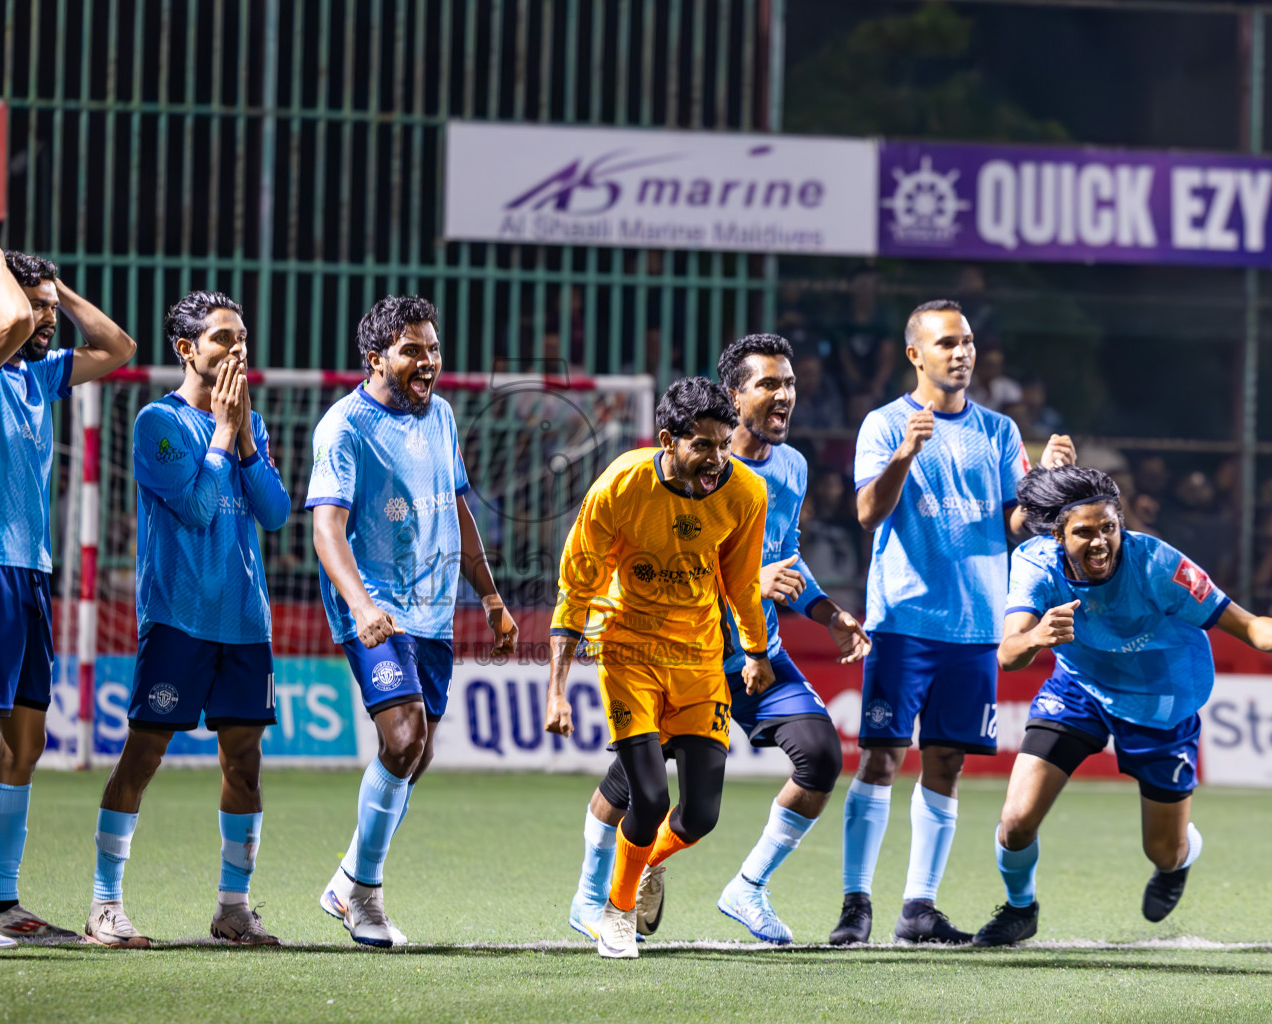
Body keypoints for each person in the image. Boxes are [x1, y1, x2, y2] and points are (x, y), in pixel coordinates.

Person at [562, 338, 871, 948]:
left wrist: (827, 611)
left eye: (788, 383)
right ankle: (592, 897)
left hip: (756, 655)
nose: (784, 395)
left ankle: (745, 886)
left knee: (821, 756)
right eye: (769, 385)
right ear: (734, 397)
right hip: (681, 650)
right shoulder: (679, 473)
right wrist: (749, 581)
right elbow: (703, 565)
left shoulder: (790, 469)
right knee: (631, 787)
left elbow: (783, 559)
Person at [973, 466, 1272, 945]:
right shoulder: (1035, 564)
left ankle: (1181, 860)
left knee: (1163, 850)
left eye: (1109, 528)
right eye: (1084, 533)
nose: (1100, 543)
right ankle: (1020, 908)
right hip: (1081, 689)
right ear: (1057, 535)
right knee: (1015, 822)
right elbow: (1009, 656)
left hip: (1163, 702)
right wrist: (1033, 637)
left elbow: (1247, 624)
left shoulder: (1159, 565)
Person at [0, 239, 135, 948]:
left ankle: (0, 902)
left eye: (48, 312)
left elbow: (118, 346)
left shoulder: (37, 378)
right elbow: (7, 325)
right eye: (36, 309)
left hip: (29, 575)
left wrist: (59, 292)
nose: (44, 321)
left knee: (27, 740)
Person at [835, 298, 1073, 946]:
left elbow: (1013, 523)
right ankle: (856, 905)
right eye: (946, 343)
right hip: (904, 620)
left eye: (966, 341)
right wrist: (905, 455)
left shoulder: (998, 432)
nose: (961, 352)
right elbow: (866, 512)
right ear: (915, 354)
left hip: (975, 628)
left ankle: (918, 910)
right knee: (882, 759)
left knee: (946, 764)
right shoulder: (885, 425)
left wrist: (1046, 482)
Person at [307, 295, 517, 948]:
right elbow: (326, 529)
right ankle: (362, 896)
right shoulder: (344, 428)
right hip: (377, 611)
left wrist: (490, 596)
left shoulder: (442, 416)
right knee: (402, 739)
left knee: (415, 752)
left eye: (432, 347)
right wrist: (364, 607)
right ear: (375, 359)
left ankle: (348, 879)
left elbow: (458, 509)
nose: (428, 361)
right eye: (412, 350)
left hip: (434, 614)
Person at [84, 291, 290, 948]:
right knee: (142, 756)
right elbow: (199, 509)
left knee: (245, 765)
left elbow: (278, 512)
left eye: (242, 338)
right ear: (186, 349)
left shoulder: (248, 423)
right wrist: (226, 432)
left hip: (244, 625)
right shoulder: (157, 423)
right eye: (224, 339)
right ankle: (104, 904)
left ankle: (234, 907)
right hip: (178, 621)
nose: (238, 351)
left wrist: (248, 439)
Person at [544, 376, 774, 959]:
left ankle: (642, 865)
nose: (717, 460)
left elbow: (741, 580)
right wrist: (557, 691)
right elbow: (576, 588)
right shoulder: (620, 485)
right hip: (630, 653)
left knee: (700, 814)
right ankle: (616, 915)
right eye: (703, 445)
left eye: (725, 444)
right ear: (667, 440)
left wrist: (754, 651)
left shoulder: (745, 492)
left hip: (698, 658)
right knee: (646, 798)